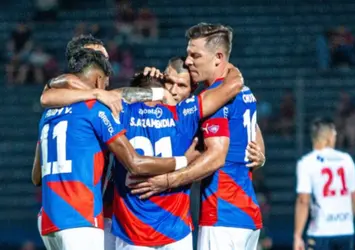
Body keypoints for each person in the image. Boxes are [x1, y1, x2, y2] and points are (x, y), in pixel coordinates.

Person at [32, 48, 199, 250]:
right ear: (97, 81)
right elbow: (135, 162)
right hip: (101, 220)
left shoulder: (49, 115)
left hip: (51, 219)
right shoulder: (104, 109)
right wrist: (183, 161)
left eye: (181, 86)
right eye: (169, 83)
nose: (173, 90)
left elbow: (36, 176)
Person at [131, 23, 265, 250]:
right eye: (189, 53)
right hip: (247, 216)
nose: (190, 60)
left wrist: (167, 181)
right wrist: (261, 156)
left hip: (223, 215)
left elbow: (216, 157)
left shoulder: (216, 99)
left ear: (218, 57)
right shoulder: (243, 91)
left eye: (196, 55)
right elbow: (255, 134)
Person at [293, 117, 355, 250]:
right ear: (329, 137)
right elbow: (354, 199)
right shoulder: (347, 160)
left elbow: (303, 201)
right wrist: (346, 221)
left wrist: (297, 235)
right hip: (345, 231)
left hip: (320, 230)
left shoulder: (307, 162)